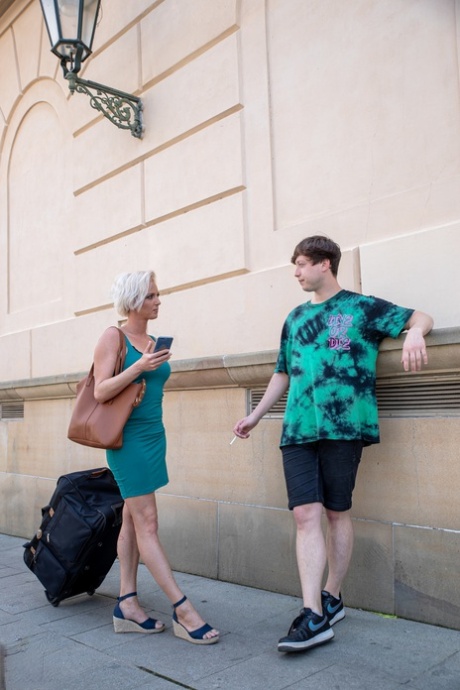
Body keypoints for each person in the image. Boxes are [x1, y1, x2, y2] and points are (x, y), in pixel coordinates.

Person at [233, 236, 433, 654]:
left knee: (338, 514)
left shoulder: (361, 308)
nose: (297, 272)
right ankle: (312, 614)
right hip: (298, 430)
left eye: (302, 264)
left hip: (344, 428)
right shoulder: (293, 318)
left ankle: (332, 596)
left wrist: (415, 334)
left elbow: (420, 317)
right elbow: (282, 372)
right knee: (305, 514)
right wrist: (256, 415)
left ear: (325, 264)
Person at [93, 271, 219, 645]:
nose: (158, 300)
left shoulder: (149, 340)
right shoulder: (112, 337)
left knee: (132, 520)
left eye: (157, 294)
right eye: (151, 295)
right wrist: (138, 367)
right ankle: (183, 609)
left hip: (152, 436)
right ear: (133, 301)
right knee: (148, 523)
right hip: (126, 441)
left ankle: (127, 603)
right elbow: (100, 391)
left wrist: (148, 364)